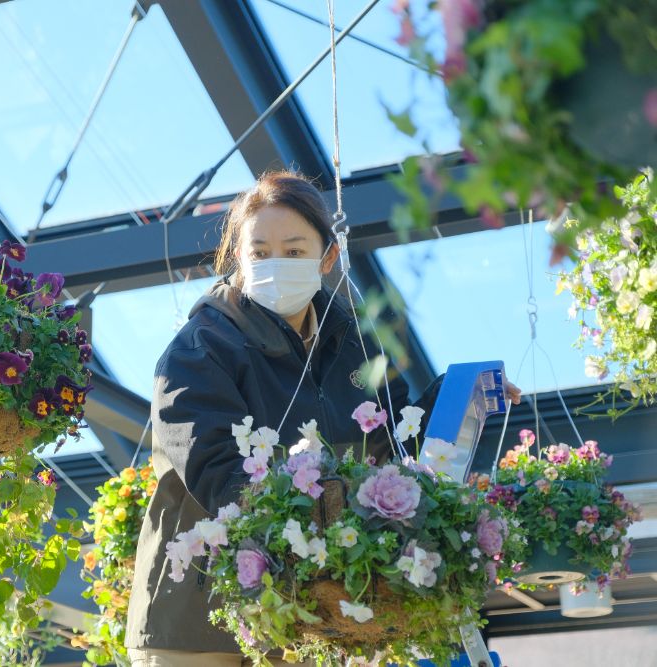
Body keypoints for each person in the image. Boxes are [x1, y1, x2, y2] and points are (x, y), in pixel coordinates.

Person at [124, 170, 519, 667]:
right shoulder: (201, 347)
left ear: (327, 257)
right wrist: (308, 536)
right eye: (260, 252)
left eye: (293, 252)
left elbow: (394, 443)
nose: (276, 265)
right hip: (197, 622)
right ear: (238, 259)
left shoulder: (352, 342)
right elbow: (214, 469)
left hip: (304, 616)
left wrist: (457, 401)